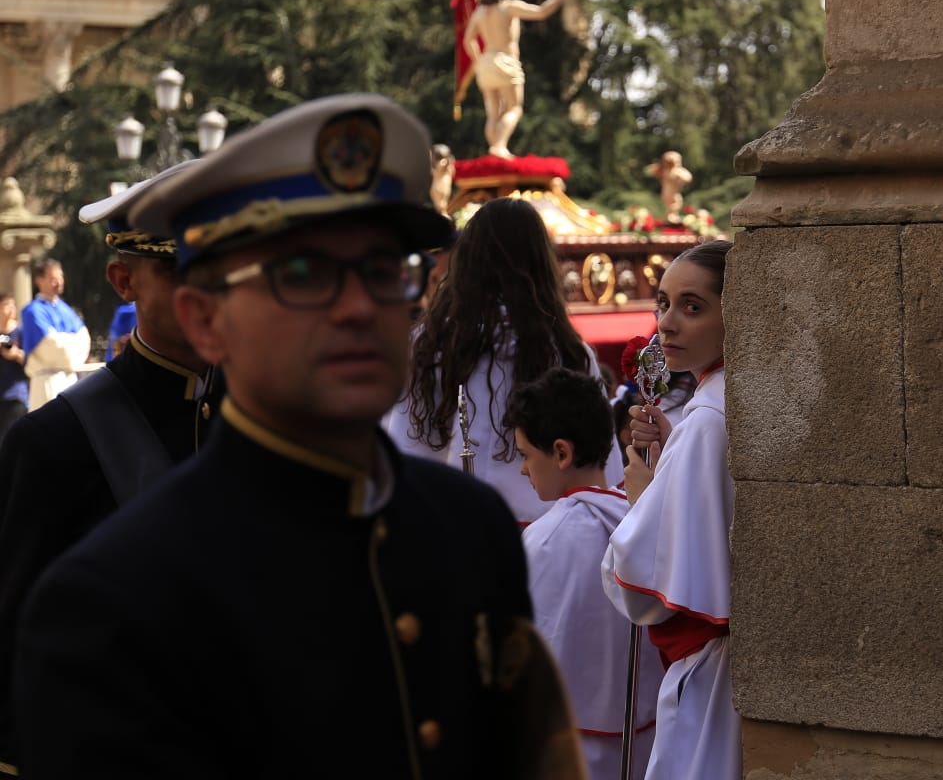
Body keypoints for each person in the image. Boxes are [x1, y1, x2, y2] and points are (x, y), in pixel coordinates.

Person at [13, 94, 580, 778]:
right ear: (206, 319)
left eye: (383, 270)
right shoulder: (107, 599)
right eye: (304, 275)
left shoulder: (470, 526)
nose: (359, 307)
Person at [0, 159, 226, 772]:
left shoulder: (272, 418)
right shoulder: (52, 444)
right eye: (179, 270)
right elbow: (18, 647)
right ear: (124, 281)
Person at [391, 196, 623, 526]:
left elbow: (405, 447)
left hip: (452, 525)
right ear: (541, 263)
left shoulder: (429, 344)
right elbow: (600, 468)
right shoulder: (567, 350)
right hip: (550, 533)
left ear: (466, 261)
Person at [602, 239, 740, 780]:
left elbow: (640, 579)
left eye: (692, 306)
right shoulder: (724, 399)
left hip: (711, 672)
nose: (667, 323)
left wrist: (642, 496)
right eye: (663, 303)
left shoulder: (706, 419)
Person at [505, 368, 665, 780]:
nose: (523, 470)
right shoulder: (638, 513)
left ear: (561, 453)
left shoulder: (543, 540)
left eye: (525, 455)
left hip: (568, 746)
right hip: (645, 735)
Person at [458, 0, 577, 158]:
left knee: (493, 114)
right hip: (505, 61)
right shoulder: (509, 7)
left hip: (486, 62)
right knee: (514, 108)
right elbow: (541, 12)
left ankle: (494, 151)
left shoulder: (479, 12)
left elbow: (468, 41)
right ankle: (499, 146)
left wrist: (479, 60)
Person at [20, 258, 89, 409]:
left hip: (71, 379)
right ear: (39, 281)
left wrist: (64, 341)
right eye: (53, 278)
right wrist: (72, 341)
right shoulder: (33, 311)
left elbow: (84, 340)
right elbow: (51, 346)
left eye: (60, 277)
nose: (58, 282)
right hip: (46, 382)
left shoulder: (66, 310)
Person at [0, 295, 25, 438]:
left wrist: (15, 354)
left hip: (16, 395)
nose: (11, 309)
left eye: (13, 305)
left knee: (12, 439)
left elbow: (32, 360)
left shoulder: (21, 331)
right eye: (6, 305)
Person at [645, 151, 693, 222]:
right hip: (669, 193)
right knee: (674, 205)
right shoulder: (668, 171)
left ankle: (671, 218)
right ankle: (671, 218)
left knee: (675, 205)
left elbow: (688, 178)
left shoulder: (674, 171)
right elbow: (649, 170)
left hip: (671, 192)